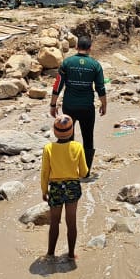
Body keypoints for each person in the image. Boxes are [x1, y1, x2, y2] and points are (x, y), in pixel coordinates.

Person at [50, 35, 107, 172]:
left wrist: (53, 105)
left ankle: (69, 168)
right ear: (90, 48)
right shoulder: (95, 65)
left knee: (67, 137)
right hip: (87, 107)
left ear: (76, 47)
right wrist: (104, 104)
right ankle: (85, 171)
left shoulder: (67, 63)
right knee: (88, 137)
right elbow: (100, 87)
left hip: (69, 106)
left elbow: (57, 85)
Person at [40, 114, 88, 260]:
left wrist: (44, 190)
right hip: (72, 186)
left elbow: (45, 172)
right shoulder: (78, 146)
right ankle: (71, 254)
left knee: (54, 221)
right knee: (71, 222)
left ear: (54, 131)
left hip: (55, 187)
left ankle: (50, 253)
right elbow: (84, 172)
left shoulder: (48, 148)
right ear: (72, 130)